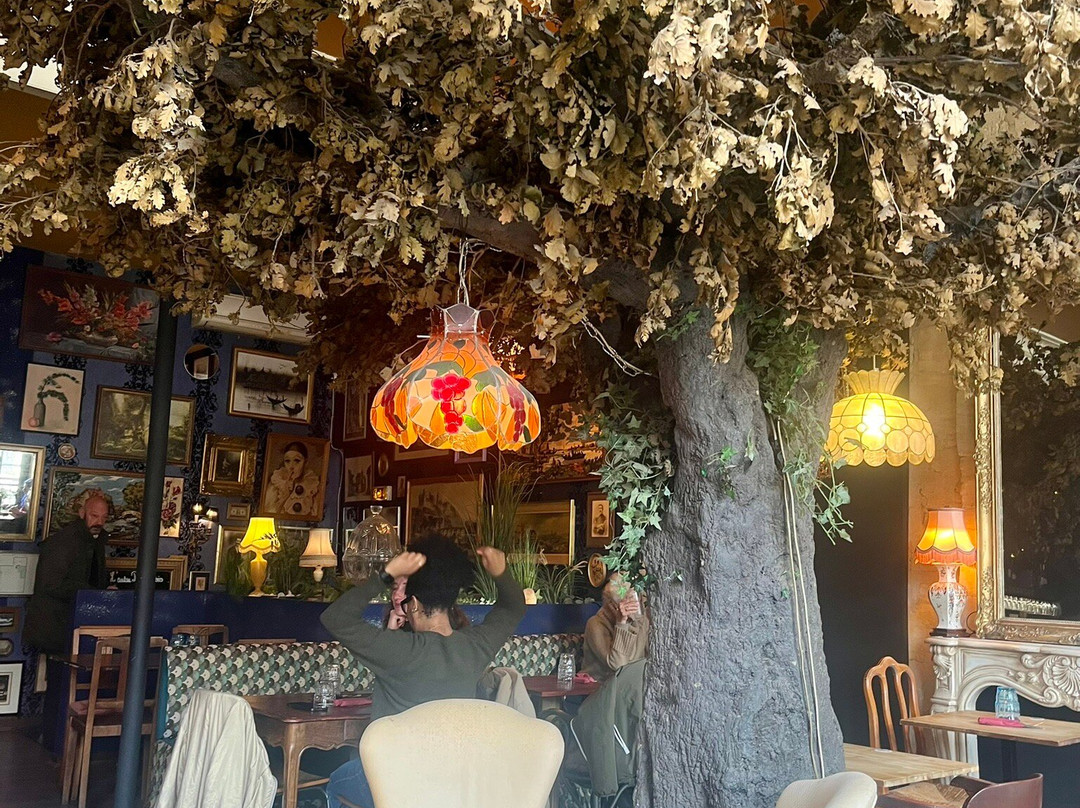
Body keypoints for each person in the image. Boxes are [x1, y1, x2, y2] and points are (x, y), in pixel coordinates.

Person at [320, 536, 524, 808]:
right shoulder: (476, 647)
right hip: (453, 783)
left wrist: (385, 575)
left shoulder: (397, 650)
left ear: (413, 604)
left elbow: (335, 618)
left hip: (394, 781)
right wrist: (501, 573)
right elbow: (514, 607)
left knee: (336, 783)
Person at [23, 494, 111, 654]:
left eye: (104, 517)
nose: (99, 522)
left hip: (71, 622)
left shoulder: (94, 541)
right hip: (55, 626)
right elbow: (51, 584)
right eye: (94, 516)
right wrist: (93, 593)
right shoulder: (64, 542)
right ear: (82, 513)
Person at [583, 572, 649, 682]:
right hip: (601, 688)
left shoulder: (641, 620)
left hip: (632, 686)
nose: (636, 605)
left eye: (635, 597)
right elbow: (619, 667)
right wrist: (621, 623)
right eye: (628, 600)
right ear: (611, 605)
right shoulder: (596, 624)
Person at [263, 441, 321, 518]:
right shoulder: (277, 482)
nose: (291, 466)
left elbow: (316, 513)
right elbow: (269, 513)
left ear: (305, 462)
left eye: (297, 461)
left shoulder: (312, 484)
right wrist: (285, 495)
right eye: (287, 461)